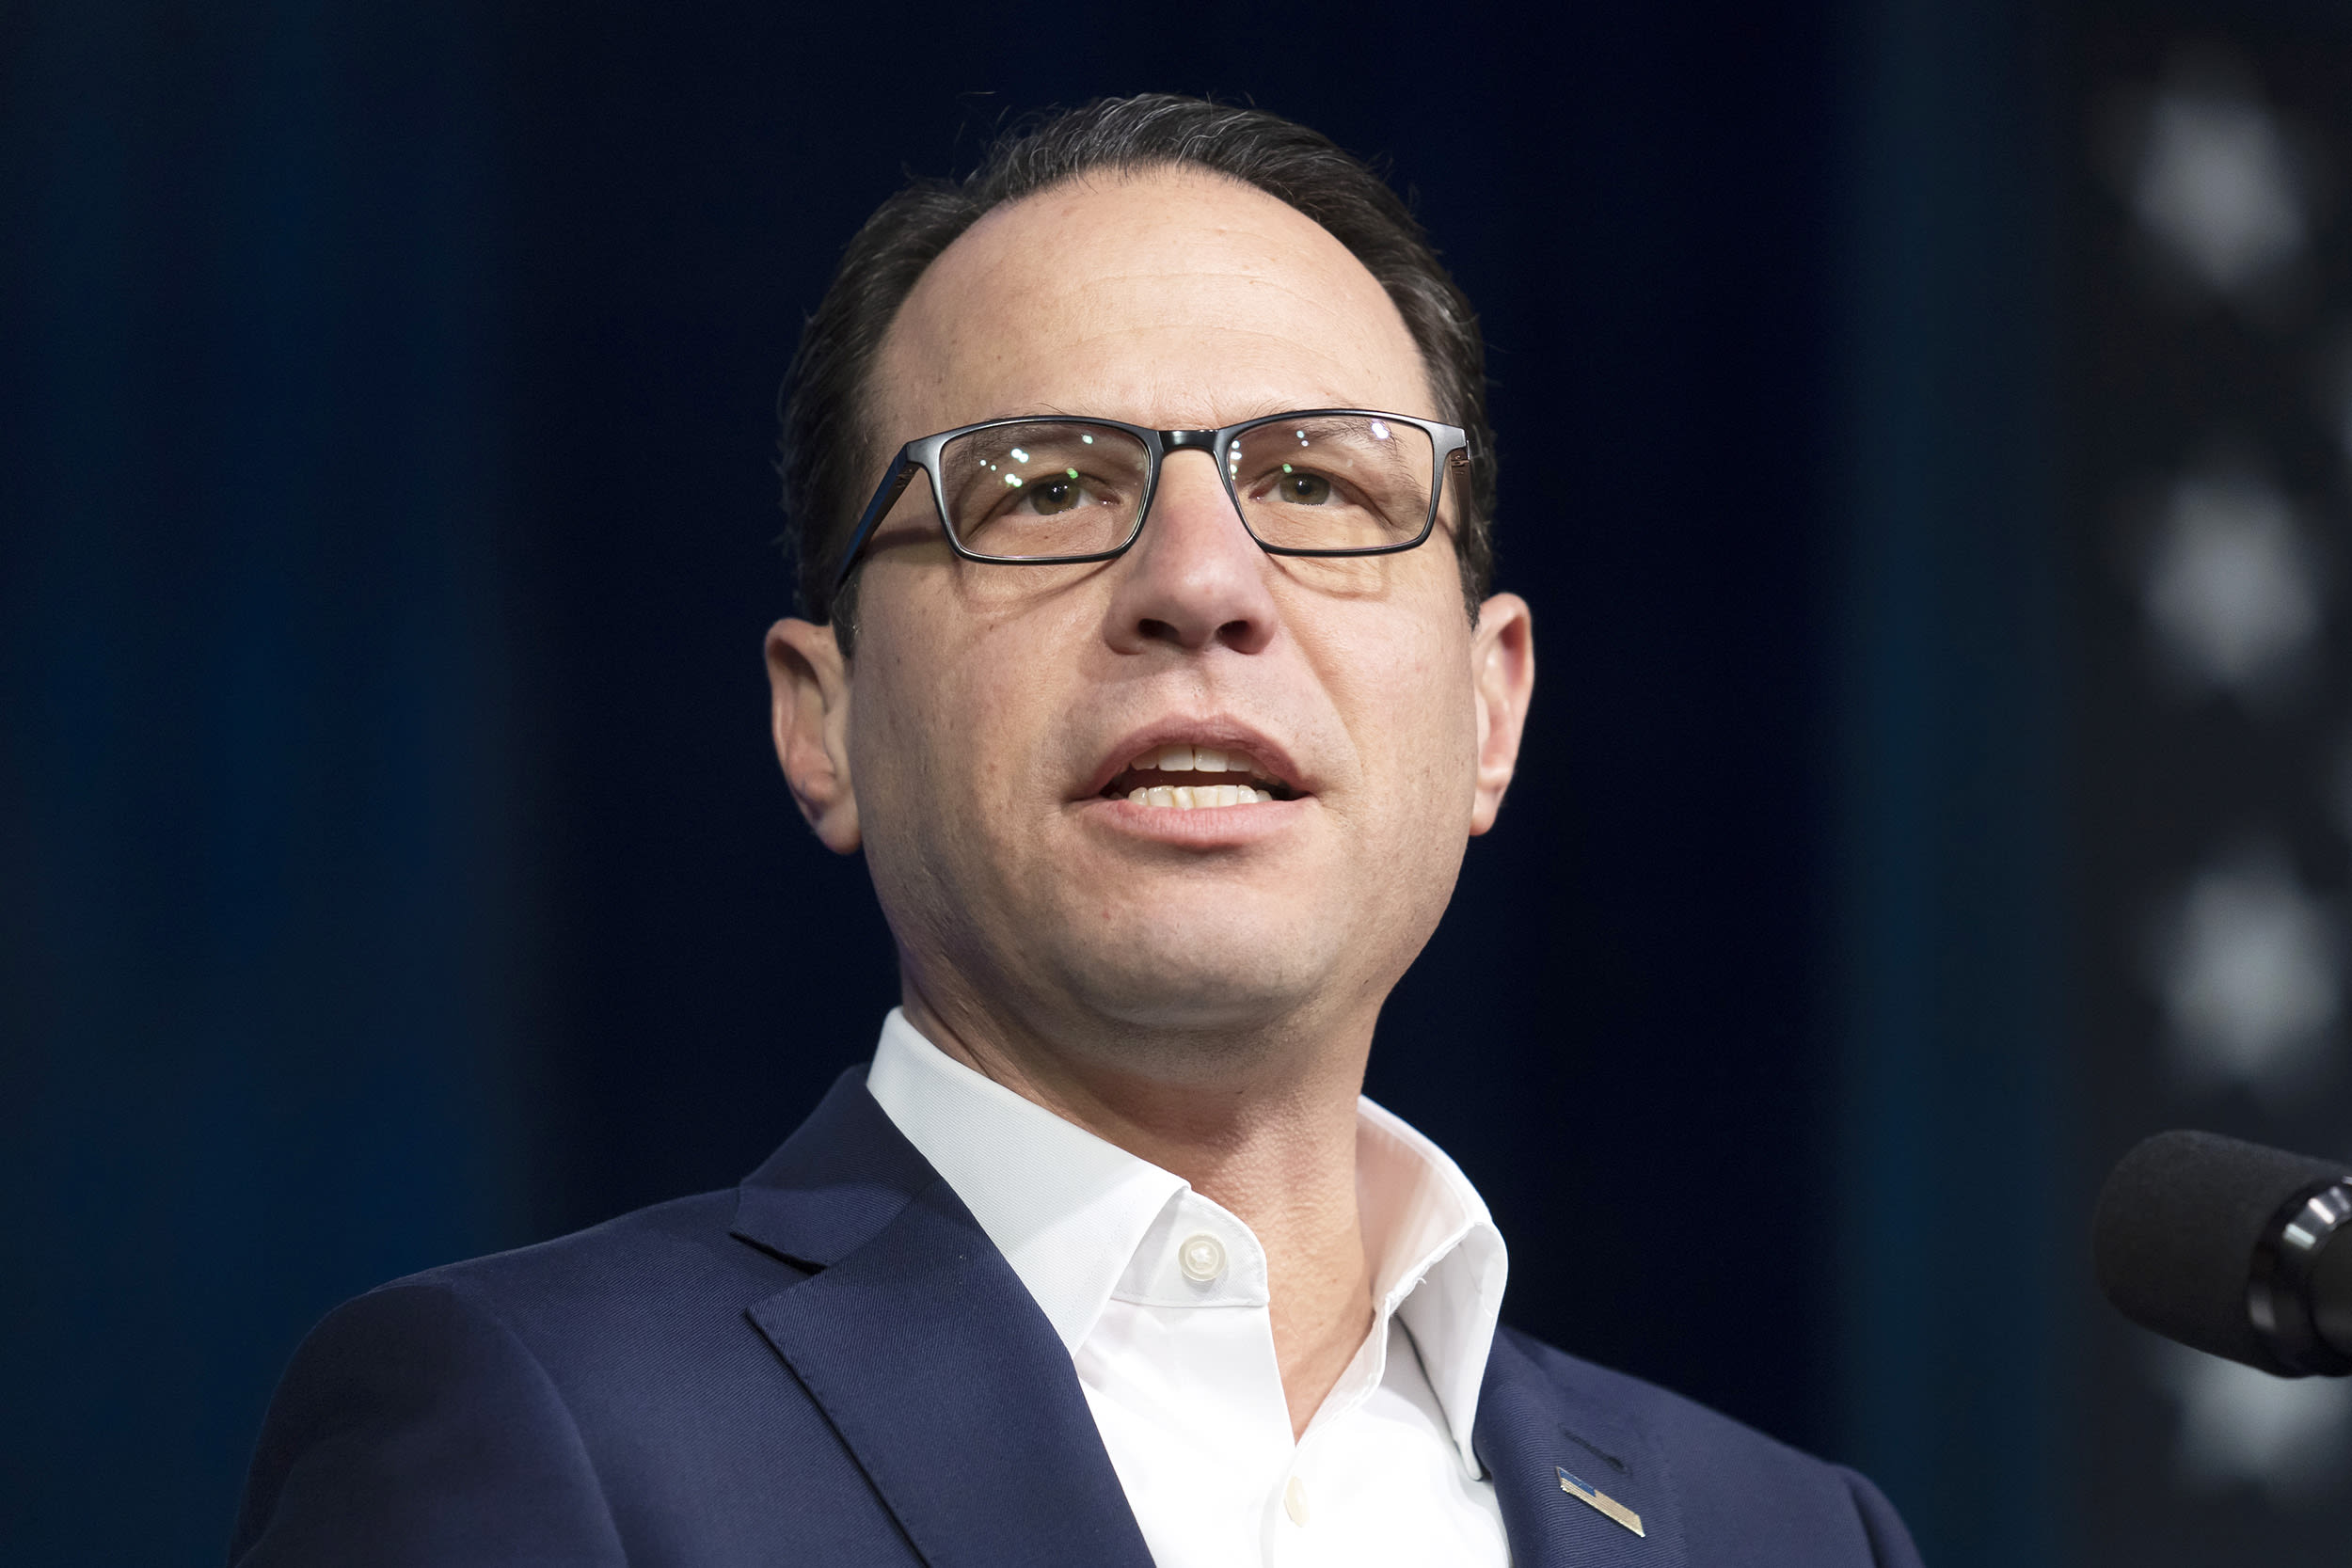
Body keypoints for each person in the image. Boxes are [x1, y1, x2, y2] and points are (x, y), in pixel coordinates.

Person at [231, 95, 1921, 1568]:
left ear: (1492, 710)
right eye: (1044, 489)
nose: (1201, 585)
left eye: (1321, 486)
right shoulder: (540, 1430)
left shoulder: (1787, 1536)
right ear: (823, 722)